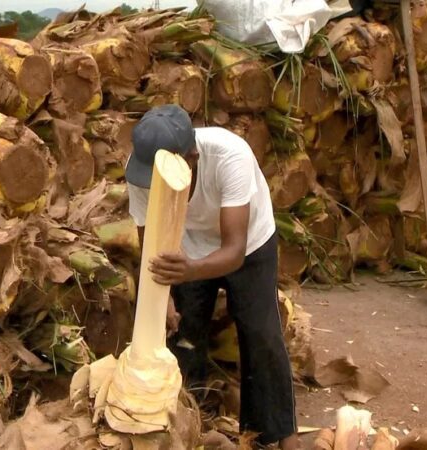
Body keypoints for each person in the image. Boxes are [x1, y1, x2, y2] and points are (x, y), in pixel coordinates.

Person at [125, 104, 300, 449]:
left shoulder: (229, 155)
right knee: (184, 338)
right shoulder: (140, 170)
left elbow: (234, 250)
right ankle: (193, 429)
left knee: (261, 335)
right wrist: (167, 297)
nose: (155, 184)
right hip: (186, 247)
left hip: (249, 244)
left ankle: (282, 437)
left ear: (191, 157)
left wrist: (190, 270)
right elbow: (150, 243)